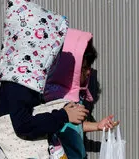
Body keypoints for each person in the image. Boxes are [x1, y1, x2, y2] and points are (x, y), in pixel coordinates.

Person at [0, 0, 89, 157]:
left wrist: (62, 111)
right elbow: (23, 126)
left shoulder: (24, 80)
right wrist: (64, 115)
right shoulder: (18, 84)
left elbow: (32, 114)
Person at [44, 29, 119, 159]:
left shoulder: (75, 95)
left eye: (89, 67)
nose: (89, 72)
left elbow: (74, 125)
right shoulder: (51, 98)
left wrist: (98, 125)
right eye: (84, 68)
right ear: (69, 68)